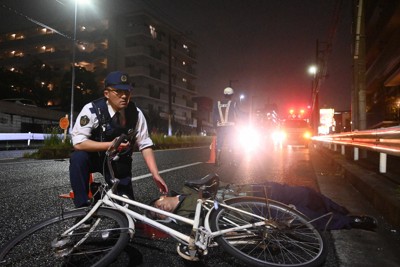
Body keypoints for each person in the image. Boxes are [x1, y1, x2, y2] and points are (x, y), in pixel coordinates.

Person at [69, 71, 168, 208]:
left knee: (126, 208)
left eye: (127, 91)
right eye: (118, 91)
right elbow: (78, 143)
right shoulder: (92, 110)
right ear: (106, 94)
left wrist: (155, 174)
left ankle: (104, 195)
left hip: (119, 161)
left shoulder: (136, 113)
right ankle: (82, 208)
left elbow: (145, 144)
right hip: (94, 157)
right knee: (78, 158)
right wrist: (111, 145)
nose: (124, 96)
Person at [148, 179, 378, 231]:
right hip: (248, 209)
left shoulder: (188, 187)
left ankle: (342, 210)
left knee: (304, 192)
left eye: (157, 207)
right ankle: (351, 222)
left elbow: (213, 180)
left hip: (253, 189)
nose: (162, 211)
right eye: (159, 216)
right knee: (300, 215)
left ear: (162, 195)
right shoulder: (186, 215)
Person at [212, 87, 240, 166]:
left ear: (224, 94)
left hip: (220, 127)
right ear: (231, 95)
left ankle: (217, 161)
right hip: (231, 127)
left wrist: (215, 126)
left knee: (219, 143)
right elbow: (239, 114)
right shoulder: (233, 103)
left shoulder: (217, 104)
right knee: (231, 143)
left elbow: (214, 116)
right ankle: (232, 161)